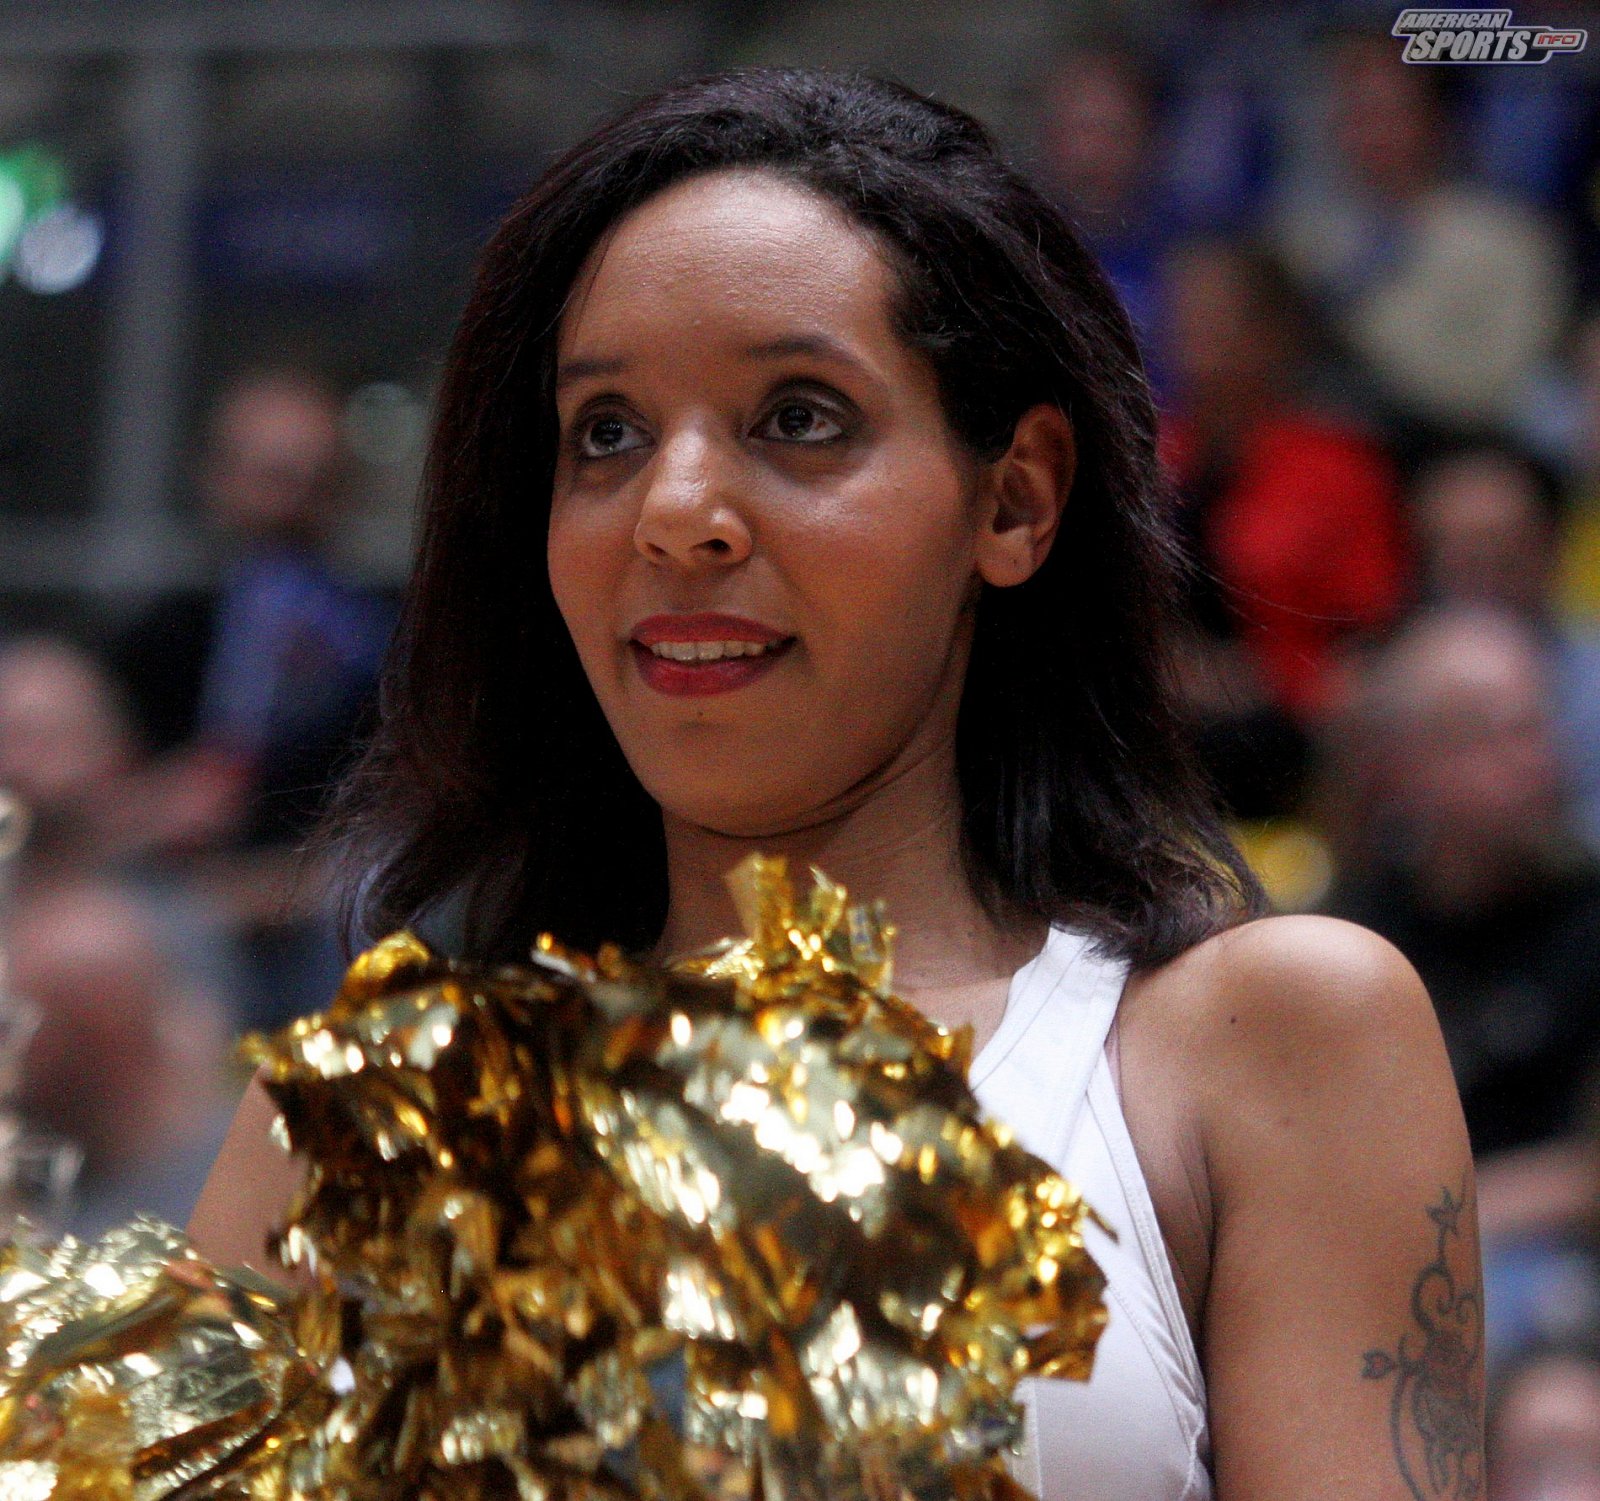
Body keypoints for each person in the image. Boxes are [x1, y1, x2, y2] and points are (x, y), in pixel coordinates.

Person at [190, 69, 1480, 1500]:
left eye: (798, 416)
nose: (675, 512)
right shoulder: (355, 1121)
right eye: (604, 432)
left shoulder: (1266, 1042)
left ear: (1015, 500)